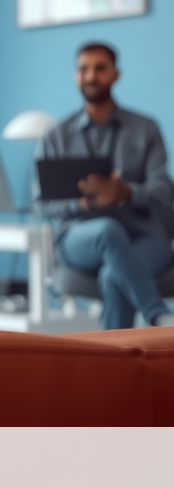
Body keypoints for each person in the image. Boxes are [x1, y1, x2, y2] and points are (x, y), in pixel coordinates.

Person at [35, 42, 174, 330]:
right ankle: (159, 317)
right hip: (79, 238)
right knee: (107, 230)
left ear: (116, 75)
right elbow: (40, 203)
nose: (91, 76)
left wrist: (126, 192)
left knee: (114, 275)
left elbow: (164, 191)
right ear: (76, 76)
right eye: (84, 69)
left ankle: (114, 370)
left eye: (100, 68)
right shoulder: (54, 137)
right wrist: (83, 204)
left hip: (144, 236)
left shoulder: (146, 128)